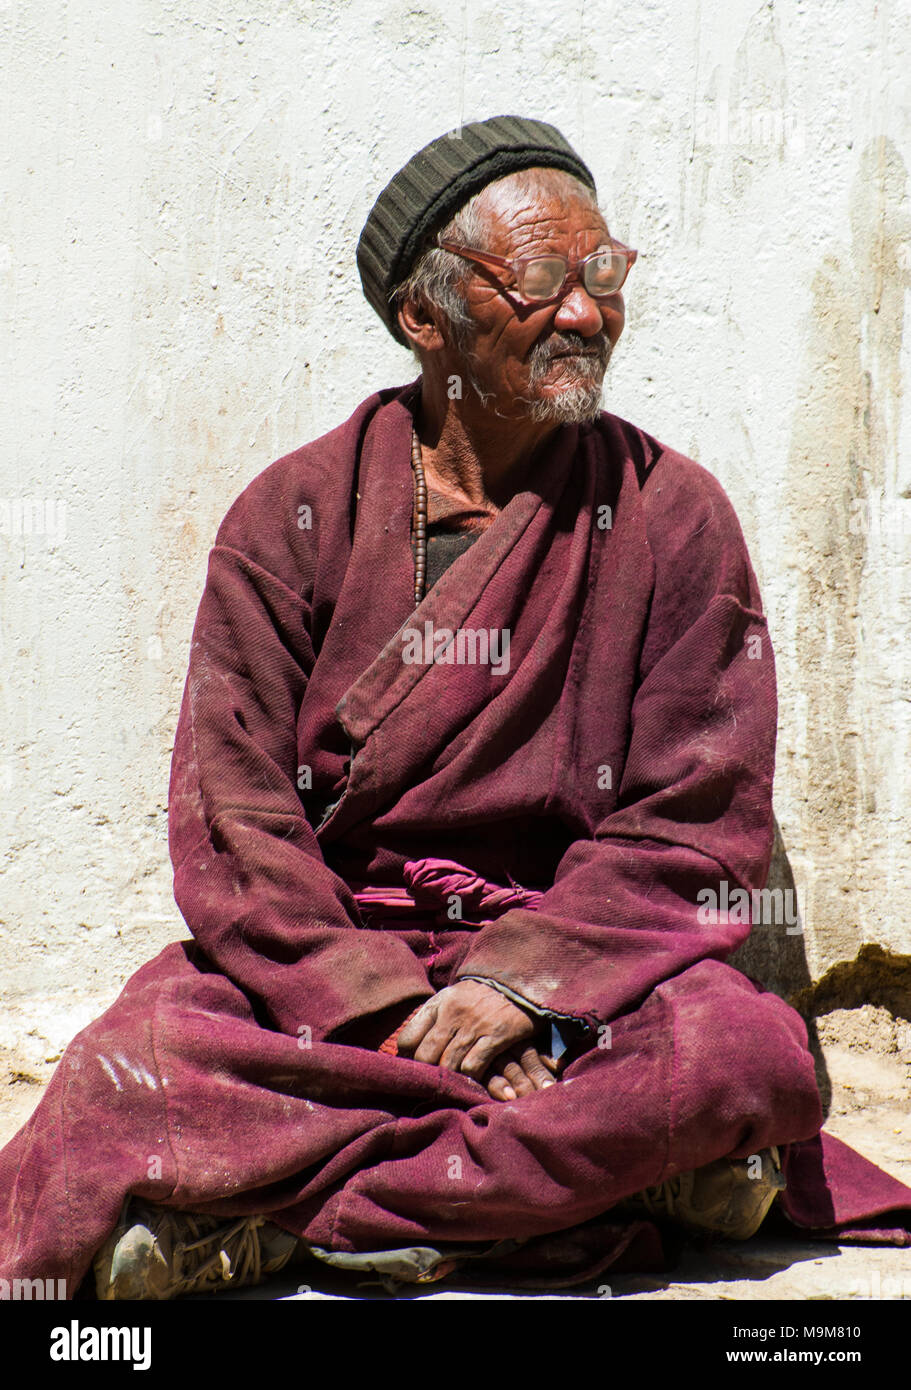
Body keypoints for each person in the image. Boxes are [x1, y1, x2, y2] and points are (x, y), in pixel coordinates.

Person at [2, 116, 909, 1302]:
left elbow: (696, 819)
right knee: (137, 1066)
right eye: (538, 281)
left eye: (601, 274)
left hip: (575, 965)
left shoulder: (669, 513)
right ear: (422, 318)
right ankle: (588, 1188)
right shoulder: (293, 516)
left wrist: (520, 987)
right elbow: (235, 819)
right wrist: (375, 1004)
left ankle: (283, 1222)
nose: (584, 315)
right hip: (335, 962)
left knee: (742, 1052)